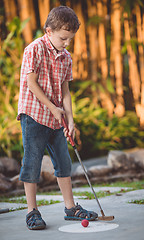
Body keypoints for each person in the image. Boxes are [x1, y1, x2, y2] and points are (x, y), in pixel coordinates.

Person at [17, 6, 98, 230]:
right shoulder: (34, 49)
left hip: (57, 118)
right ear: (48, 31)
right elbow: (31, 83)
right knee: (31, 164)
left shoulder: (66, 57)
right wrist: (52, 107)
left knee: (63, 162)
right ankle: (32, 212)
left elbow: (65, 92)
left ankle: (71, 208)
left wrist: (70, 120)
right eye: (64, 38)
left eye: (70, 39)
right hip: (34, 115)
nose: (67, 43)